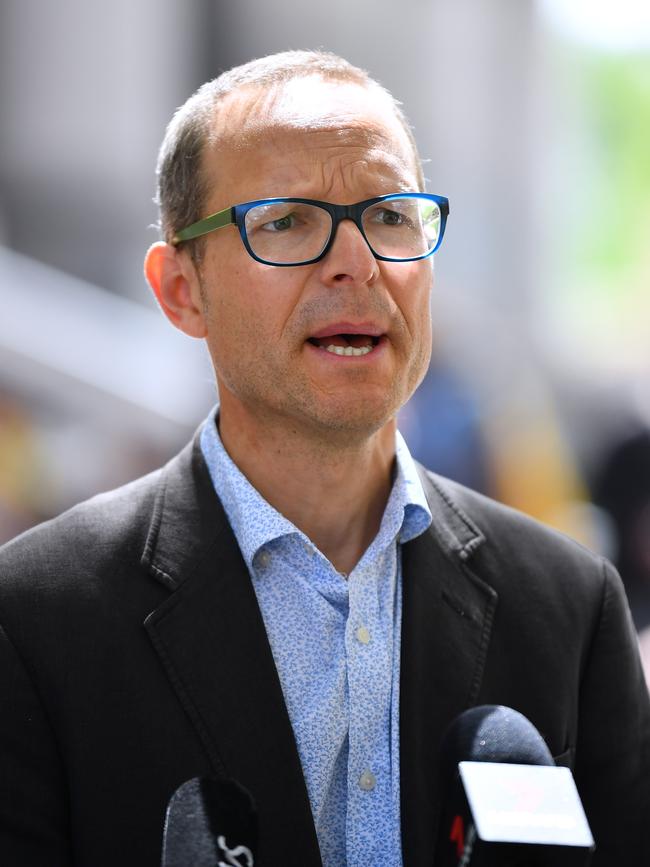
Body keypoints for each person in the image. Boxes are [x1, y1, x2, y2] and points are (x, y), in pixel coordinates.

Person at [0, 50, 648, 867]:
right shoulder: (34, 619)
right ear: (180, 290)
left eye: (390, 216)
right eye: (286, 221)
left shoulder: (571, 605)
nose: (357, 262)